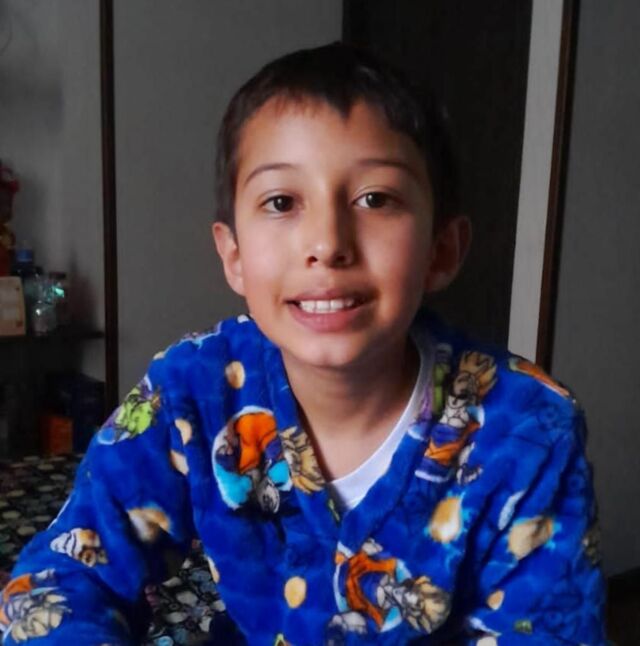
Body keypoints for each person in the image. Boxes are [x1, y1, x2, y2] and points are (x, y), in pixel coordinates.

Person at [0, 43, 605, 645]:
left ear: (441, 250)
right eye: (282, 202)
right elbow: (62, 578)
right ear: (234, 255)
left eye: (375, 199)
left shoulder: (528, 431)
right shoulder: (194, 391)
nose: (327, 243)